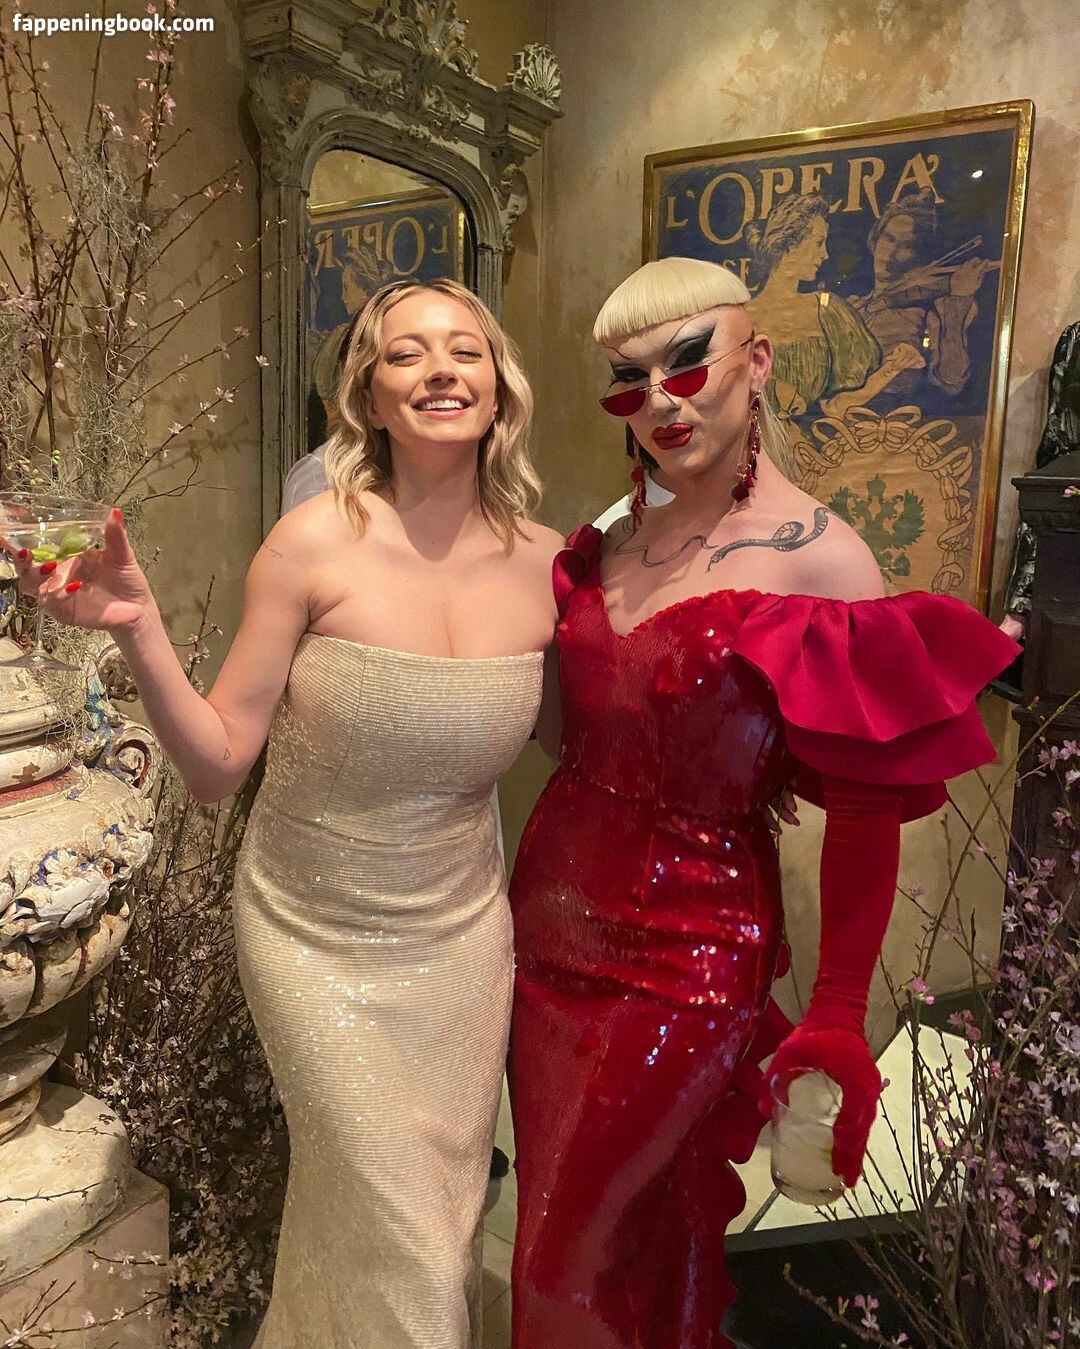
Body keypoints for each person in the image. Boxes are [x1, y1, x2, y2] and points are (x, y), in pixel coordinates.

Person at [7, 278, 562, 1349]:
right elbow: (217, 765)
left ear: (500, 388)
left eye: (465, 349)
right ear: (369, 394)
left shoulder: (550, 564)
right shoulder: (312, 542)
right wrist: (137, 623)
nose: (440, 369)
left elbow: (589, 747)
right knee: (400, 1232)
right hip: (312, 933)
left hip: (461, 945)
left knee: (436, 1227)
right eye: (406, 352)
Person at [508, 256, 1018, 1348]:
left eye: (689, 363)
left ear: (759, 361)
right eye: (630, 380)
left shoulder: (824, 560)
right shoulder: (610, 537)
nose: (662, 400)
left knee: (563, 1253)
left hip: (689, 954)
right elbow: (561, 729)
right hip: (543, 931)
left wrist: (834, 1014)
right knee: (596, 1229)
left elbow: (866, 811)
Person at [746, 192, 922, 423]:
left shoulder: (829, 311)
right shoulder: (738, 318)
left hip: (808, 442)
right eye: (819, 243)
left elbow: (836, 407)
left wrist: (893, 367)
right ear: (789, 244)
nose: (825, 254)